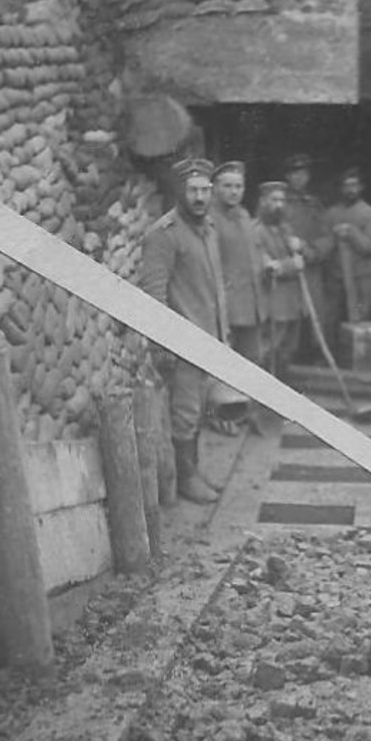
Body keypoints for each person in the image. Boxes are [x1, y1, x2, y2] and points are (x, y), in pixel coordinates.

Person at [139, 155, 229, 505]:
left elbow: (216, 285)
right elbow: (153, 292)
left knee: (198, 408)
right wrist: (161, 344)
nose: (200, 197)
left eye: (205, 190)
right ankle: (185, 479)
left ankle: (193, 469)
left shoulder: (209, 228)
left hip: (209, 337)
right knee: (185, 412)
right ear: (180, 190)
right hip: (183, 340)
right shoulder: (163, 235)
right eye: (192, 190)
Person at [208, 159, 267, 435]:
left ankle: (246, 413)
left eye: (238, 186)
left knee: (251, 359)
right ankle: (223, 417)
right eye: (227, 186)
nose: (234, 191)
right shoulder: (210, 219)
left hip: (252, 302)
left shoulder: (244, 216)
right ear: (216, 188)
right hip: (229, 303)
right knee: (225, 363)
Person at [282, 152, 333, 358]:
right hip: (287, 267)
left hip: (310, 266)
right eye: (294, 173)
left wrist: (310, 251)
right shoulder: (279, 201)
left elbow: (327, 237)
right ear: (287, 177)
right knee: (288, 313)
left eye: (303, 173)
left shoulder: (315, 204)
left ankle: (313, 354)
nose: (299, 178)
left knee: (314, 313)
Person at [253, 180, 306, 377]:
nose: (279, 205)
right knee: (269, 350)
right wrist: (292, 265)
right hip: (273, 301)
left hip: (292, 302)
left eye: (282, 200)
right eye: (274, 200)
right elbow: (267, 267)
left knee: (287, 350)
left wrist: (300, 247)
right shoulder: (256, 231)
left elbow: (299, 254)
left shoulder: (285, 229)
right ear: (263, 202)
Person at [324, 165, 371, 339]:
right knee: (331, 319)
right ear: (341, 188)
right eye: (347, 186)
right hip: (336, 276)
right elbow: (325, 245)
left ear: (361, 187)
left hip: (362, 277)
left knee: (360, 322)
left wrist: (352, 232)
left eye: (354, 185)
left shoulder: (370, 213)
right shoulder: (331, 213)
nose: (350, 190)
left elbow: (370, 247)